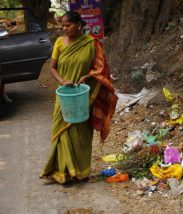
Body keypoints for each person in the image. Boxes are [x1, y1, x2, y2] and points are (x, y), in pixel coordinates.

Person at [40, 11, 117, 184]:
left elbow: (101, 68)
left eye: (68, 25)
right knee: (61, 130)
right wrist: (62, 81)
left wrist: (87, 76)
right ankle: (60, 172)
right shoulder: (60, 42)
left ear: (79, 24)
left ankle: (80, 172)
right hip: (64, 95)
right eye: (63, 25)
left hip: (83, 95)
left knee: (81, 133)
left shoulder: (92, 44)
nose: (64, 28)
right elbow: (52, 68)